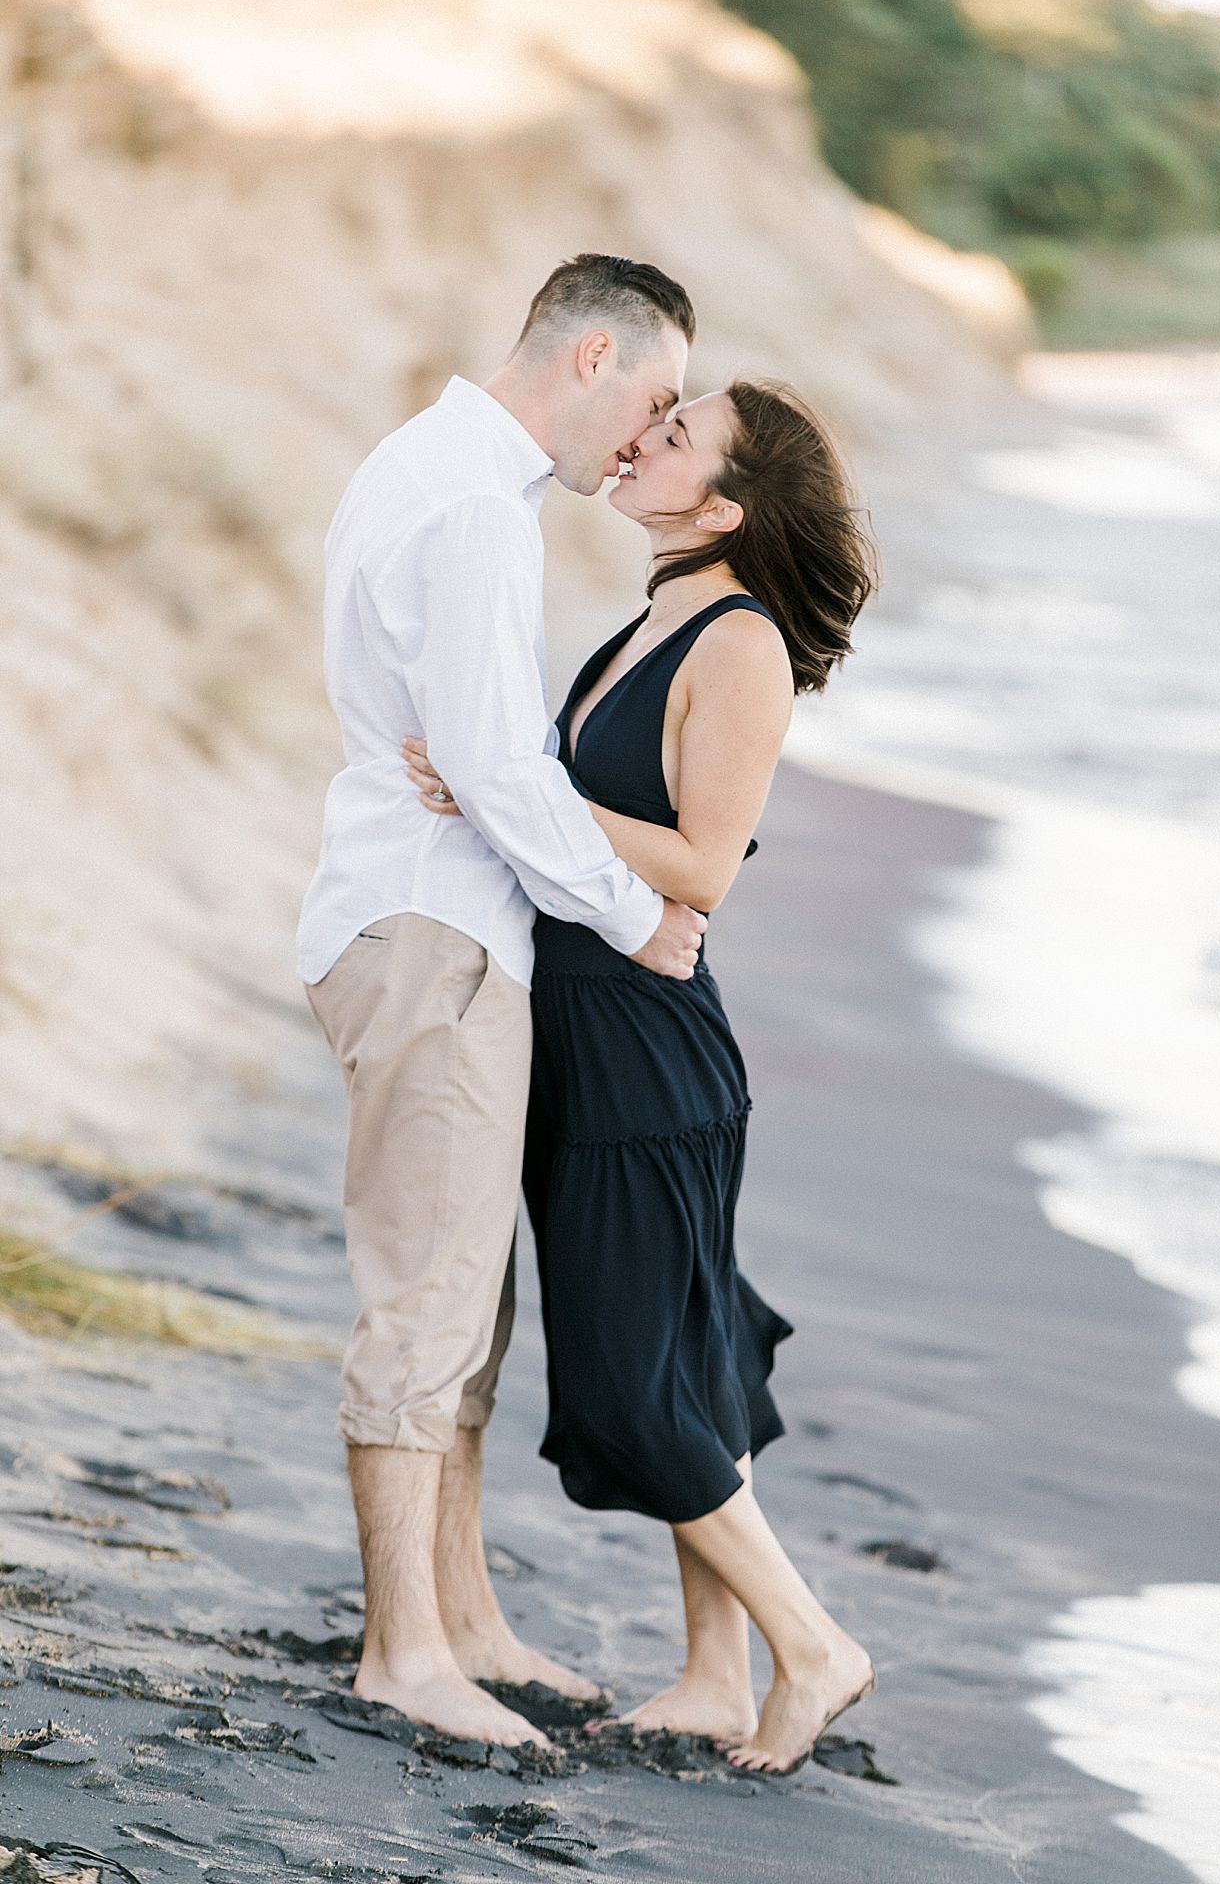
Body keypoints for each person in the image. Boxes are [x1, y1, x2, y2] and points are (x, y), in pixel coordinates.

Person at [403, 376, 880, 1774]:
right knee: (689, 1349)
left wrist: (511, 789)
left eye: (679, 437)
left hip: (643, 1049)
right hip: (600, 1027)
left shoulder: (737, 646)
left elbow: (701, 866)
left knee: (630, 1378)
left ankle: (814, 1646)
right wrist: (515, 791)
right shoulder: (657, 615)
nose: (645, 437)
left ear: (723, 508)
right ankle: (716, 1676)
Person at [297, 254, 709, 1751]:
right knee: (426, 1302)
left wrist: (494, 765)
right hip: (433, 932)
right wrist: (638, 918)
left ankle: (464, 1619)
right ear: (591, 355)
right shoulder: (474, 505)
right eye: (653, 399)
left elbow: (480, 751)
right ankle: (403, 1651)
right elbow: (491, 770)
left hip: (434, 923)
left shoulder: (440, 466)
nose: (647, 437)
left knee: (470, 1298)